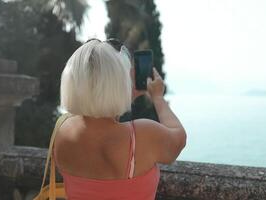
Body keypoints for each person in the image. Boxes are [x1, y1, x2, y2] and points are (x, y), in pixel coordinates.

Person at [53, 38, 187, 200]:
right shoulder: (141, 136)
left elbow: (99, 119)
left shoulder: (63, 130)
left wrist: (124, 96)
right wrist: (158, 98)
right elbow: (178, 140)